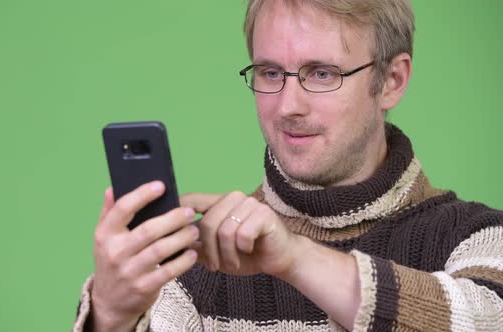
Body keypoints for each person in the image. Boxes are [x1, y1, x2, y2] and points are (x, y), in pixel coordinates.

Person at [73, 0, 503, 331]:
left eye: (321, 74)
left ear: (392, 81)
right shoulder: (195, 273)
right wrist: (111, 316)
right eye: (270, 73)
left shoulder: (478, 238)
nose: (287, 106)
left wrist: (294, 258)